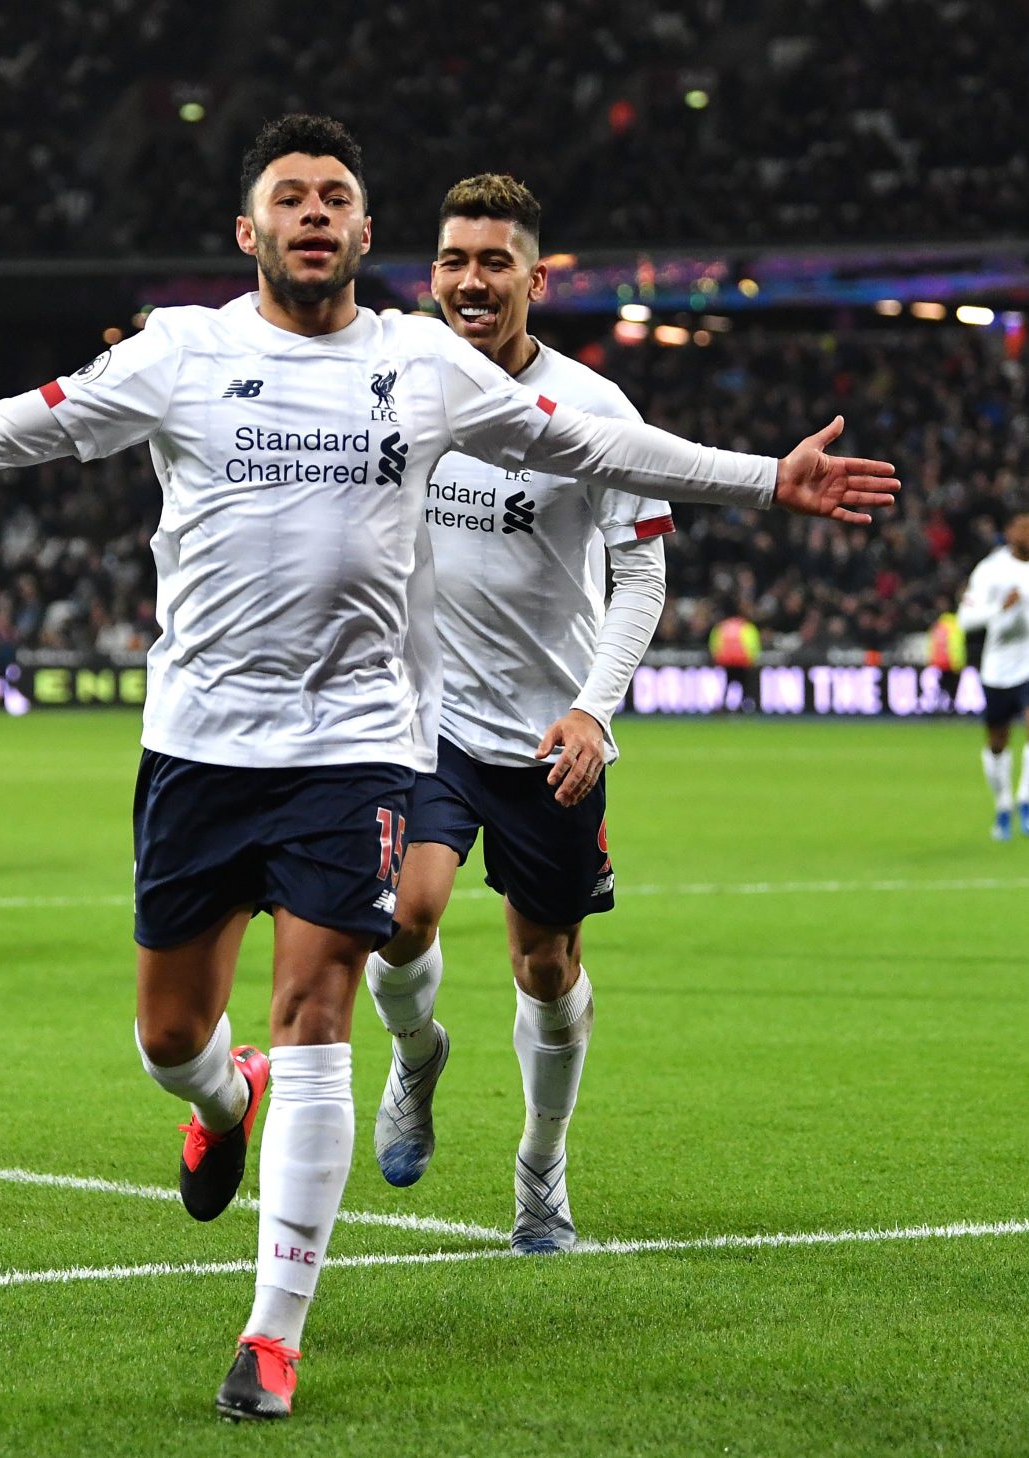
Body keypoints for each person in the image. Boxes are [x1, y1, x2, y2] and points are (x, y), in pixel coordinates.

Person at [0, 114, 900, 1422]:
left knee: (317, 1018)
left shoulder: (422, 363)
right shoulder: (180, 354)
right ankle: (219, 1095)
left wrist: (766, 479)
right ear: (248, 230)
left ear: (366, 232)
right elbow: (0, 431)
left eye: (335, 196)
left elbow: (592, 447)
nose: (314, 211)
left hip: (357, 750)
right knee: (169, 1038)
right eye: (290, 195)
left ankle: (272, 1333)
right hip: (199, 746)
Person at [362, 174, 669, 1255]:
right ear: (431, 276)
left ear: (535, 280)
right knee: (399, 916)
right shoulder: (399, 392)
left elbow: (641, 576)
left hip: (549, 738)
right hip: (425, 723)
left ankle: (541, 1160)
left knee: (544, 967)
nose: (472, 279)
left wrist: (592, 711)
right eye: (454, 259)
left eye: (496, 261)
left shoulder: (595, 411)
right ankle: (416, 1057)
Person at [958, 507, 1029, 839]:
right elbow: (965, 619)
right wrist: (1000, 608)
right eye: (1024, 527)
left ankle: (1026, 799)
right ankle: (1003, 804)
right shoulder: (990, 570)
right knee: (997, 742)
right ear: (1008, 532)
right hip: (999, 666)